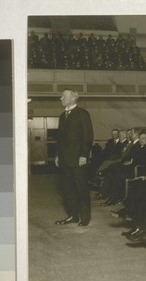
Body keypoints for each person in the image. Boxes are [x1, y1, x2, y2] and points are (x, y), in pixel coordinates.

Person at [54, 89, 94, 227]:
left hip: (78, 159)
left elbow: (88, 137)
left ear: (73, 98)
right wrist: (58, 155)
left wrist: (84, 155)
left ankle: (85, 217)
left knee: (81, 188)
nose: (61, 98)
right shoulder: (62, 116)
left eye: (63, 96)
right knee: (68, 190)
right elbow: (60, 139)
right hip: (65, 159)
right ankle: (73, 215)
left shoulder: (83, 114)